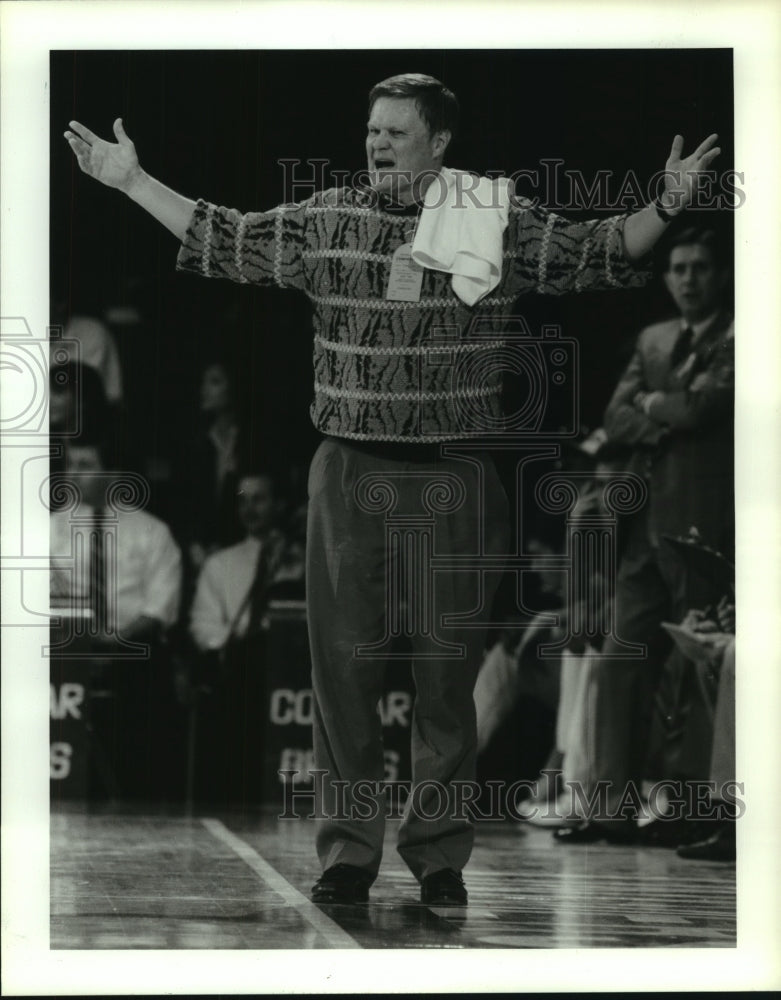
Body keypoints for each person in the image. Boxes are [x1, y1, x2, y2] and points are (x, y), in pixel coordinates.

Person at [65, 72, 720, 906]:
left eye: (395, 132)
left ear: (438, 142)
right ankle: (348, 852)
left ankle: (438, 855)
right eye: (371, 130)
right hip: (350, 471)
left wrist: (663, 205)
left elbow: (598, 252)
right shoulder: (328, 218)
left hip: (455, 476)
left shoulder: (491, 217)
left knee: (446, 681)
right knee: (342, 676)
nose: (376, 144)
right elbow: (225, 237)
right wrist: (132, 182)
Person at [554, 226, 734, 844]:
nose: (688, 279)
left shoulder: (742, 335)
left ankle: (688, 807)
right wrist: (665, 411)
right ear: (666, 278)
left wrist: (654, 407)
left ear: (721, 275)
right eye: (678, 268)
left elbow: (703, 408)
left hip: (706, 526)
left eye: (700, 267)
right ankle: (609, 806)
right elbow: (615, 415)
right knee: (619, 660)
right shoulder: (654, 338)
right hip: (645, 526)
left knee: (694, 667)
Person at [49, 439, 184, 797]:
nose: (72, 474)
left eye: (85, 465)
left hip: (132, 656)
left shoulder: (152, 531)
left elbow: (160, 607)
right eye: (70, 464)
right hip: (69, 655)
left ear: (111, 474)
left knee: (136, 762)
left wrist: (113, 641)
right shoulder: (50, 530)